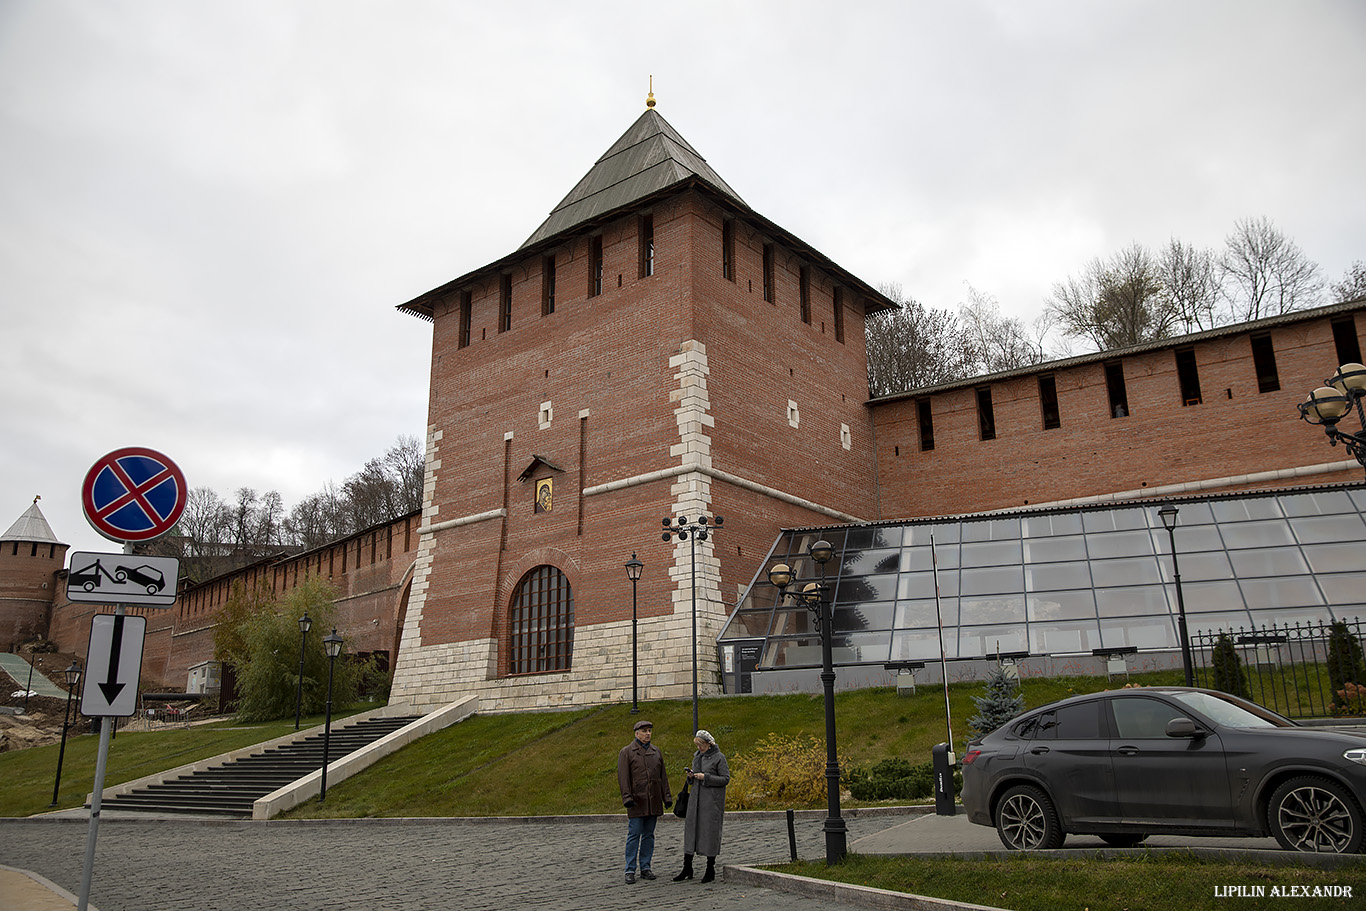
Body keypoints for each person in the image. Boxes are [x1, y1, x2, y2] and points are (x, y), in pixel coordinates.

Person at [617, 719, 672, 884]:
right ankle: (630, 869)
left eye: (649, 731)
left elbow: (663, 777)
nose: (648, 734)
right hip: (636, 801)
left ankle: (646, 867)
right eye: (644, 731)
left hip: (653, 800)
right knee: (634, 835)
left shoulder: (656, 752)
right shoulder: (627, 752)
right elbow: (623, 778)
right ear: (636, 733)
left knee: (649, 835)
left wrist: (666, 797)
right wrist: (627, 798)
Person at [673, 729, 730, 884]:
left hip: (711, 802)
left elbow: (725, 779)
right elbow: (694, 778)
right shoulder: (697, 757)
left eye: (702, 745)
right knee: (690, 832)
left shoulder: (719, 758)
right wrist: (691, 777)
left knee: (710, 833)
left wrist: (706, 777)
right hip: (695, 801)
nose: (699, 748)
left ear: (709, 744)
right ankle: (687, 867)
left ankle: (710, 868)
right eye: (698, 745)